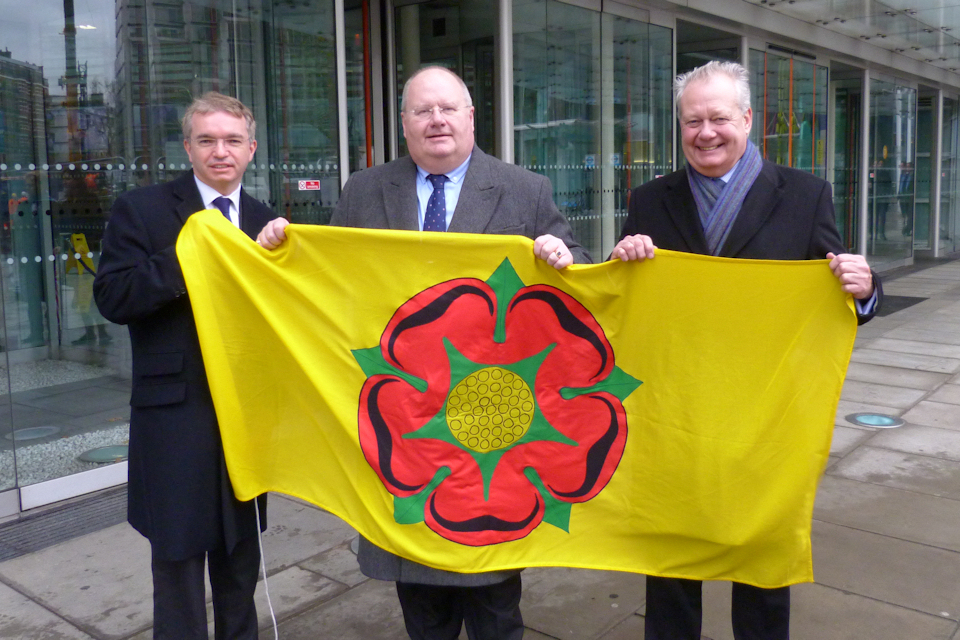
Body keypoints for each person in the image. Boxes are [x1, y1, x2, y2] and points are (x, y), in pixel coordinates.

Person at [257, 65, 590, 640]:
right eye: (421, 111)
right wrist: (279, 255)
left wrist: (562, 255)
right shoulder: (365, 189)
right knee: (421, 603)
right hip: (404, 418)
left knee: (494, 607)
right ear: (404, 123)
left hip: (490, 426)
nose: (436, 120)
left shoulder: (523, 188)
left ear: (470, 117)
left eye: (447, 108)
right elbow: (333, 286)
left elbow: (580, 278)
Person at [612, 60, 882, 640]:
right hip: (677, 411)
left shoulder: (805, 196)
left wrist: (864, 288)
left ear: (748, 119)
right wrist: (621, 259)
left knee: (760, 562)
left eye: (717, 118)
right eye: (691, 121)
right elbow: (624, 302)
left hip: (764, 415)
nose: (705, 133)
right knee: (671, 562)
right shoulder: (650, 200)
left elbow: (834, 290)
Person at [93, 92, 273, 640]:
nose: (221, 152)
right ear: (188, 148)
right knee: (177, 566)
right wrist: (188, 256)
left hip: (244, 420)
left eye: (232, 141)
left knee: (241, 562)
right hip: (174, 417)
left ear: (251, 149)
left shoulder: (267, 220)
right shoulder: (142, 209)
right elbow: (113, 296)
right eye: (208, 141)